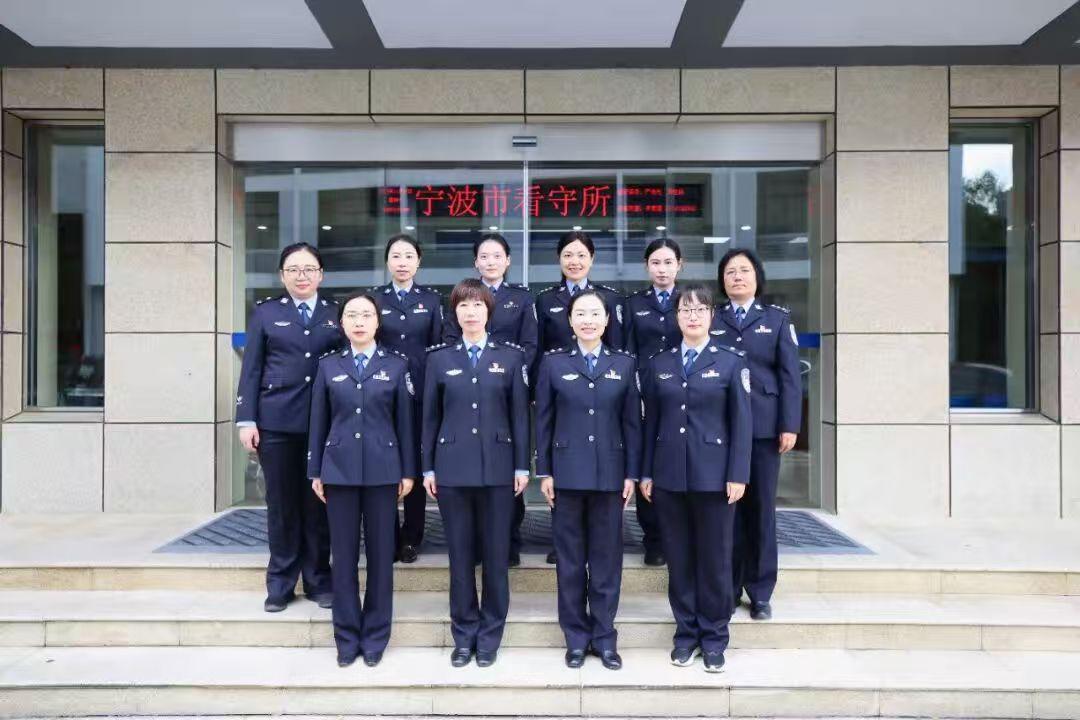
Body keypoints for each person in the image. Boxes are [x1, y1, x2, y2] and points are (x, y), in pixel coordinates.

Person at [640, 283, 752, 673]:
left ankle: (715, 637)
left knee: (715, 560)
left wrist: (738, 473)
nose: (692, 316)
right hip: (669, 476)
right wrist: (646, 472)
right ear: (676, 317)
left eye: (700, 309)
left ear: (711, 316)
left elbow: (742, 425)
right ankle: (686, 634)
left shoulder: (731, 362)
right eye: (685, 310)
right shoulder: (660, 363)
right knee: (680, 559)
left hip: (715, 478)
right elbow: (650, 423)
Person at [422, 279, 531, 668]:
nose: (471, 312)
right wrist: (427, 467)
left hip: (499, 470)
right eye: (464, 306)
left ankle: (489, 637)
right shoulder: (438, 359)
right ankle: (464, 633)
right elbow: (429, 417)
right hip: (451, 469)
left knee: (496, 558)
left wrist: (522, 465)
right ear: (454, 312)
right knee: (460, 557)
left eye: (478, 305)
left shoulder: (511, 357)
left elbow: (520, 416)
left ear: (489, 311)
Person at [307, 291, 416, 668]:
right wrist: (315, 470)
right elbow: (318, 421)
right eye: (352, 315)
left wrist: (407, 471)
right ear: (341, 323)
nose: (359, 321)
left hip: (384, 472)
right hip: (338, 471)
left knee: (382, 558)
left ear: (377, 322)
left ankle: (375, 637)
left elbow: (405, 423)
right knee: (344, 558)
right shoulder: (328, 366)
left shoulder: (396, 365)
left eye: (366, 315)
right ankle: (346, 637)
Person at [535, 289, 640, 671]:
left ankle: (605, 637)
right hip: (566, 475)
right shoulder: (553, 363)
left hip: (611, 476)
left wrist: (632, 473)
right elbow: (543, 421)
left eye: (595, 313)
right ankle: (576, 638)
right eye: (581, 313)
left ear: (607, 320)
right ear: (570, 320)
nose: (588, 320)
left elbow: (633, 424)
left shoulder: (624, 364)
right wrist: (545, 471)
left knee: (607, 562)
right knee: (570, 562)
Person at [236, 242, 340, 613]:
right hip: (276, 422)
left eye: (309, 269)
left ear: (321, 275)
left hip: (324, 424)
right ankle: (280, 584)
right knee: (281, 506)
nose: (302, 276)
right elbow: (251, 369)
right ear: (282, 276)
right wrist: (246, 419)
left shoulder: (335, 313)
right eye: (293, 269)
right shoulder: (266, 313)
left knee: (318, 504)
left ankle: (318, 580)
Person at [714, 249, 801, 622]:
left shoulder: (776, 320)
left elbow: (790, 376)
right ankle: (730, 588)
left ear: (757, 277)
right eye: (730, 271)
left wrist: (789, 424)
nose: (737, 276)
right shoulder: (712, 317)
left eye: (744, 270)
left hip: (764, 428)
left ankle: (761, 591)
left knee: (761, 510)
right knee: (727, 511)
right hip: (721, 429)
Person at [442, 234, 538, 566]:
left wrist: (508, 376)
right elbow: (450, 338)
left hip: (505, 390)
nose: (491, 261)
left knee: (506, 467)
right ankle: (475, 545)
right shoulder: (462, 295)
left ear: (508, 261)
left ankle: (508, 540)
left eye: (497, 255)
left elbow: (530, 344)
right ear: (476, 262)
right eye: (484, 256)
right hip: (464, 387)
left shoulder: (521, 298)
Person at [535, 230, 626, 565]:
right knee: (565, 479)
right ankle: (561, 545)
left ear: (592, 259)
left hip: (603, 389)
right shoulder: (545, 299)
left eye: (581, 255)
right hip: (562, 389)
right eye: (568, 255)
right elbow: (539, 347)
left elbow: (618, 348)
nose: (574, 261)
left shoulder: (609, 298)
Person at [371, 233, 445, 564]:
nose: (402, 263)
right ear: (387, 261)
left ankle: (412, 537)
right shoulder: (374, 299)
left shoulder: (431, 300)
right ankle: (386, 535)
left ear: (419, 262)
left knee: (414, 463)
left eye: (409, 256)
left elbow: (438, 347)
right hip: (381, 392)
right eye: (396, 256)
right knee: (385, 462)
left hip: (419, 393)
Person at [623, 238, 685, 568]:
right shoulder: (633, 304)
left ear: (679, 265)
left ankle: (678, 534)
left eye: (668, 262)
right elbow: (627, 352)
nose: (662, 269)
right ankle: (654, 539)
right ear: (647, 267)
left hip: (681, 392)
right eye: (656, 263)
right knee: (647, 459)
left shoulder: (690, 301)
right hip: (644, 392)